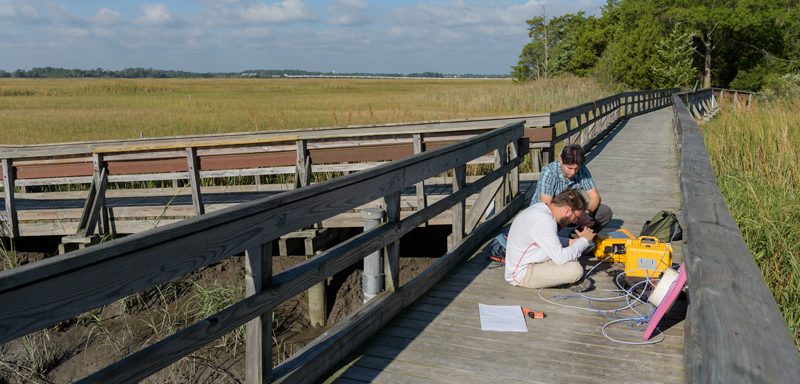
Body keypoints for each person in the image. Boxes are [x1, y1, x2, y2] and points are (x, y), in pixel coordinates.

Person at [505, 190, 596, 289]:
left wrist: (570, 242)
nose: (575, 221)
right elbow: (561, 258)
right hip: (521, 274)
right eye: (576, 217)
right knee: (575, 270)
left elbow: (545, 239)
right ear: (567, 211)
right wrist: (584, 241)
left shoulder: (541, 208)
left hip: (529, 260)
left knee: (573, 254)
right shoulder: (545, 221)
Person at [532, 143, 612, 233]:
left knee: (605, 212)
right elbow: (546, 205)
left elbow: (595, 197)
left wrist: (585, 213)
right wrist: (574, 215)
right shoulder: (549, 172)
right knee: (549, 217)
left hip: (572, 211)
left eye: (576, 169)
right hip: (549, 214)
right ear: (561, 161)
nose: (573, 172)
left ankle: (578, 235)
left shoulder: (582, 170)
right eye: (569, 168)